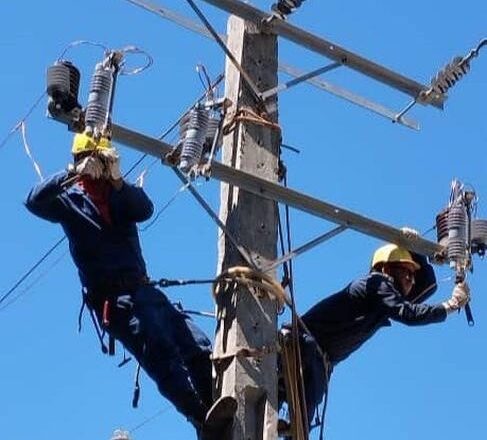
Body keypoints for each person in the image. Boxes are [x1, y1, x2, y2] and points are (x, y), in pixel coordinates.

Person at [25, 133, 218, 437]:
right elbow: (33, 200)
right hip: (116, 303)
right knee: (162, 355)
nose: (100, 168)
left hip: (146, 291)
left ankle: (215, 411)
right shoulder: (68, 200)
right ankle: (202, 419)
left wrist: (118, 181)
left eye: (104, 161)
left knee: (199, 346)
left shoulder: (119, 196)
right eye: (97, 161)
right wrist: (72, 173)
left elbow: (145, 209)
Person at [280, 243, 470, 436]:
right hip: (301, 346)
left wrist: (414, 248)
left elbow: (427, 285)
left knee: (299, 428)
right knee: (285, 408)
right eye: (406, 272)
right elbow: (408, 313)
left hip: (317, 359)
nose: (411, 280)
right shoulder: (375, 284)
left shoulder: (381, 303)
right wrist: (451, 305)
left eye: (412, 276)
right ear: (386, 268)